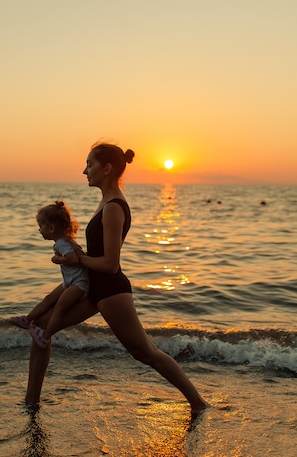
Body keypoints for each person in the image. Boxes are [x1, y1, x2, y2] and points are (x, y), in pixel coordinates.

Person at [24, 142, 208, 414]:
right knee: (39, 325)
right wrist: (77, 255)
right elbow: (99, 255)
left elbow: (110, 264)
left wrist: (78, 259)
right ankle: (31, 401)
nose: (84, 170)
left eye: (90, 164)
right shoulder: (105, 203)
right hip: (92, 286)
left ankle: (198, 403)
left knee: (145, 352)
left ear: (107, 168)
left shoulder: (113, 208)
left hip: (110, 290)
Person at [9, 200, 89, 348]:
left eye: (41, 227)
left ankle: (44, 337)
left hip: (79, 283)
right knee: (49, 299)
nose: (39, 230)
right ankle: (27, 319)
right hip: (71, 281)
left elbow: (73, 259)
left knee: (59, 307)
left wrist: (57, 259)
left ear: (51, 228)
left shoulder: (61, 243)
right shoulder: (64, 241)